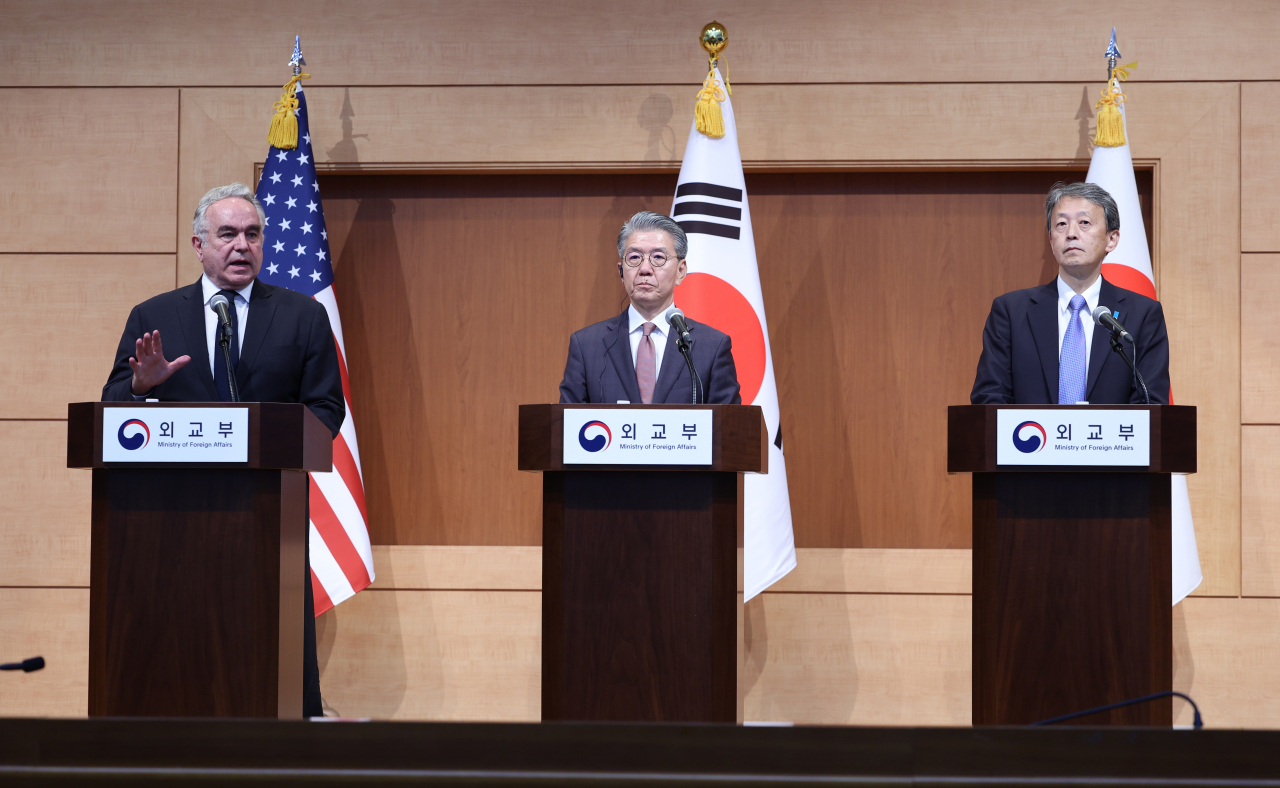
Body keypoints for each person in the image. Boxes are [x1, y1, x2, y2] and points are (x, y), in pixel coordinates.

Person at [102, 182, 341, 718]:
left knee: (270, 647)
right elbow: (113, 406)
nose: (241, 246)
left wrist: (272, 443)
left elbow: (326, 411)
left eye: (252, 234)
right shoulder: (154, 316)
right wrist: (144, 387)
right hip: (173, 519)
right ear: (198, 244)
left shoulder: (303, 316)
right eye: (227, 234)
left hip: (269, 514)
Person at [971, 182, 1169, 405]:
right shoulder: (1011, 312)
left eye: (1084, 223)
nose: (1071, 234)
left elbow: (1151, 402)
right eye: (1061, 224)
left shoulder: (1142, 315)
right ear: (1051, 240)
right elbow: (989, 397)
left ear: (1111, 239)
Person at [559, 211, 741, 405]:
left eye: (658, 257)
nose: (645, 269)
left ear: (681, 271)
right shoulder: (587, 345)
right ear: (621, 271)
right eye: (635, 257)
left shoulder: (711, 346)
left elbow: (729, 429)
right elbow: (565, 425)